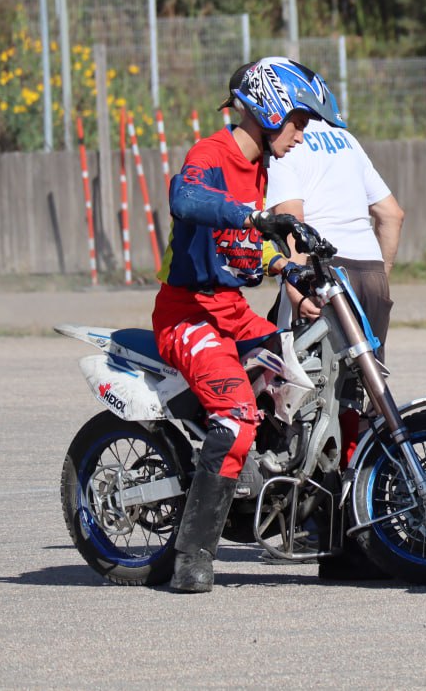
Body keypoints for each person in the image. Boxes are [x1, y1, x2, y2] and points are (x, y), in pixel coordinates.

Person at [153, 56, 337, 593]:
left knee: (297, 384)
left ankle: (268, 501)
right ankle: (192, 556)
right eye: (298, 122)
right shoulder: (210, 155)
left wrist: (289, 268)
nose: (301, 135)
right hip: (188, 314)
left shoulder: (260, 167)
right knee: (236, 415)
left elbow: (242, 249)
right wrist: (257, 217)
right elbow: (185, 200)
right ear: (268, 108)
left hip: (231, 312)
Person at [265, 84, 404, 355]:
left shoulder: (283, 139)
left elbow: (295, 219)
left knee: (298, 381)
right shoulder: (346, 139)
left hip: (321, 270)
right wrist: (379, 278)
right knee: (366, 381)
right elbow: (392, 214)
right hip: (371, 270)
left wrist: (295, 291)